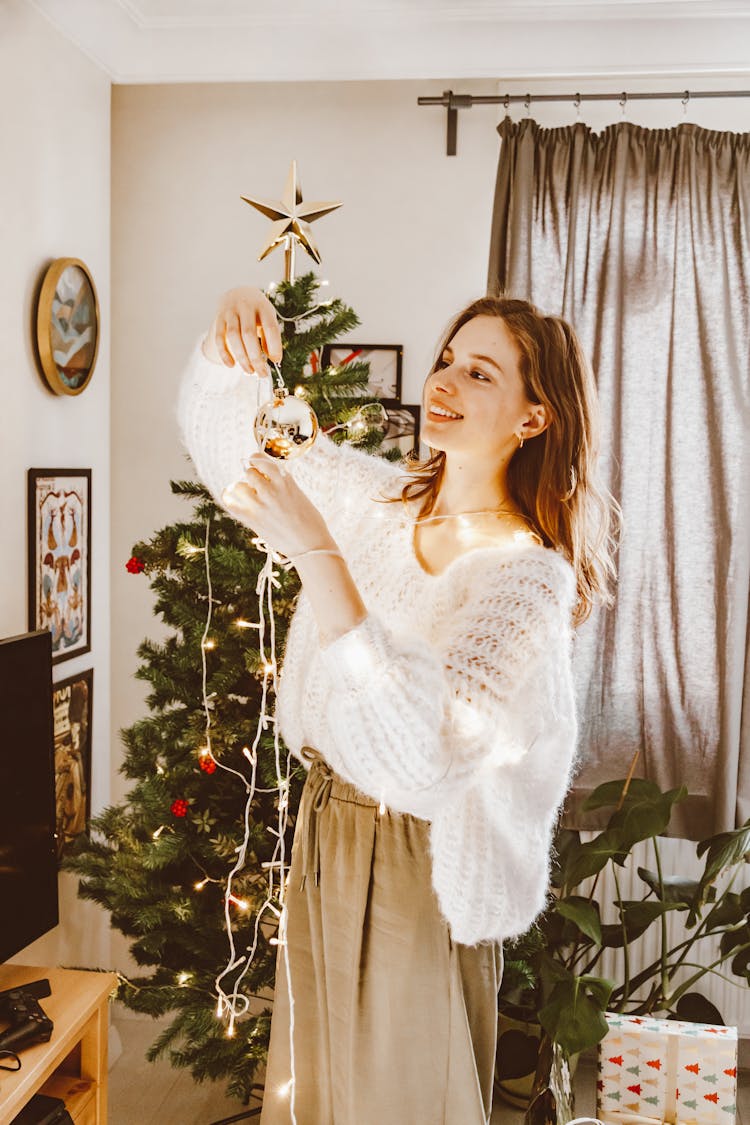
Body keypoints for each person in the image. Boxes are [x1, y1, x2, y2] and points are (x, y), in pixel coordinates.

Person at [177, 286, 617, 1125]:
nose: (444, 382)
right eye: (448, 358)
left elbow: (428, 761)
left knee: (403, 1104)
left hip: (423, 860)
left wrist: (320, 558)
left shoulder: (527, 578)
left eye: (480, 371)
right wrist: (224, 344)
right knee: (318, 1096)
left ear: (534, 417)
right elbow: (232, 450)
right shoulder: (374, 500)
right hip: (328, 827)